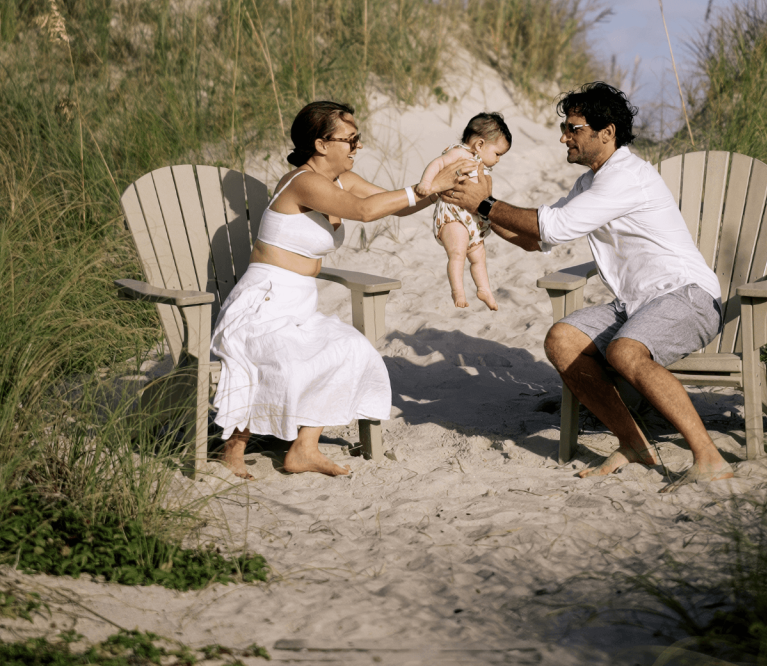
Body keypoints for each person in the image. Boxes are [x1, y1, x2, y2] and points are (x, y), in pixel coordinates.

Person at [444, 82, 734, 491]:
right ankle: (633, 443)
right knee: (561, 340)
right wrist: (477, 216)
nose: (564, 136)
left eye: (573, 128)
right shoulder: (590, 184)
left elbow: (553, 225)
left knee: (624, 351)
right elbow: (537, 239)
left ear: (607, 132)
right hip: (636, 304)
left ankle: (709, 457)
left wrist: (485, 203)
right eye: (565, 127)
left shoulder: (626, 177)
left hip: (687, 296)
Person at [211, 101, 473, 480]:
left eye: (358, 139)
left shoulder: (341, 181)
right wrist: (423, 189)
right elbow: (364, 212)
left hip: (299, 301)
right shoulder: (302, 182)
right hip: (264, 303)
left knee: (349, 348)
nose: (357, 147)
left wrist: (440, 186)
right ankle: (232, 449)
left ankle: (304, 449)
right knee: (277, 359)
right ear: (321, 144)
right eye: (349, 140)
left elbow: (394, 207)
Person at [417, 112, 511, 310]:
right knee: (458, 252)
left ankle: (484, 289)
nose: (499, 160)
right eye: (498, 154)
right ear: (480, 144)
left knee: (479, 256)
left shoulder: (480, 163)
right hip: (453, 215)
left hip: (471, 218)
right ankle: (457, 290)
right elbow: (437, 164)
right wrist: (427, 183)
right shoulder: (459, 153)